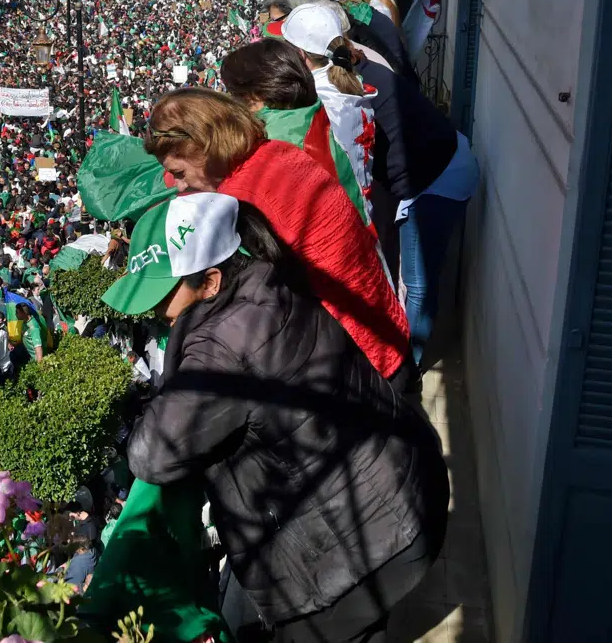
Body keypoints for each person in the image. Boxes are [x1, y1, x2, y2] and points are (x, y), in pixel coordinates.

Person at [109, 193, 448, 642]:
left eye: (164, 294)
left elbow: (152, 454)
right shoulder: (263, 281)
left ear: (210, 282)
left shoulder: (222, 345)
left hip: (368, 545)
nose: (155, 311)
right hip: (399, 491)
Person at [142, 88, 410, 384]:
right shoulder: (277, 151)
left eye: (179, 172)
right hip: (384, 329)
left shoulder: (240, 199)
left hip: (359, 360)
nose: (180, 186)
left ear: (205, 146)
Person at [281, 3, 477, 371]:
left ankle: (410, 367)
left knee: (418, 283)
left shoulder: (338, 92)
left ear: (300, 55)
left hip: (439, 178)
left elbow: (386, 166)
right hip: (428, 171)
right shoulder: (352, 68)